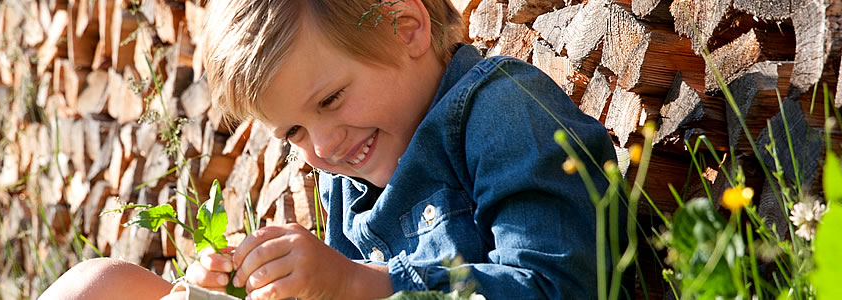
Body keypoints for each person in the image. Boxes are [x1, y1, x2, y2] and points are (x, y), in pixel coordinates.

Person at [42, 0, 615, 298]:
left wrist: (357, 286)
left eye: (332, 99)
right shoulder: (348, 185)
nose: (323, 147)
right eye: (292, 133)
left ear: (405, 26)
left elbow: (559, 286)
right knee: (96, 288)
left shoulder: (499, 110)